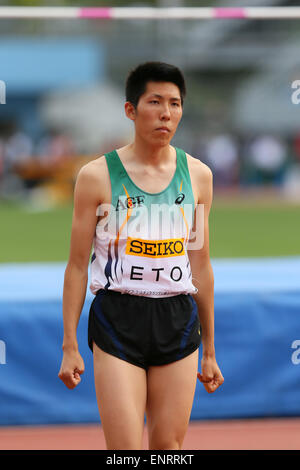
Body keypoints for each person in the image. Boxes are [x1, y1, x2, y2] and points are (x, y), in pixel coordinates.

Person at [58, 61, 224, 450]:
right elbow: (78, 264)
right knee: (125, 451)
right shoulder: (96, 176)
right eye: (155, 102)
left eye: (175, 103)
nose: (167, 113)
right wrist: (69, 344)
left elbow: (200, 264)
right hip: (119, 318)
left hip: (177, 318)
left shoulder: (198, 175)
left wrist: (211, 350)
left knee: (169, 449)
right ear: (131, 109)